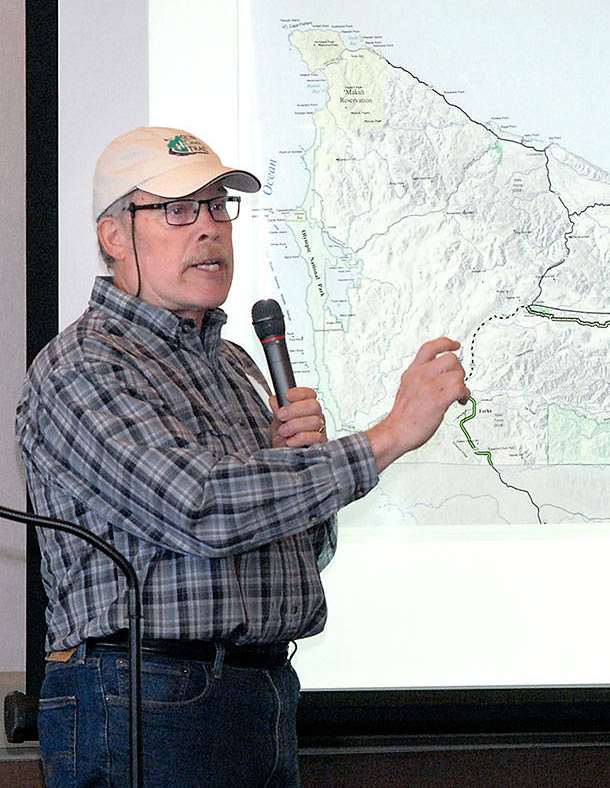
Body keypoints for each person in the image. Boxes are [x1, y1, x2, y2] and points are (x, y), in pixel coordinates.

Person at [15, 126, 469, 788]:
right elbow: (199, 505)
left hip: (259, 692)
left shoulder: (231, 363)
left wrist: (299, 466)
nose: (207, 227)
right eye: (177, 209)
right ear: (115, 235)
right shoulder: (84, 364)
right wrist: (388, 435)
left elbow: (297, 550)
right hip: (146, 697)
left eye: (216, 206)